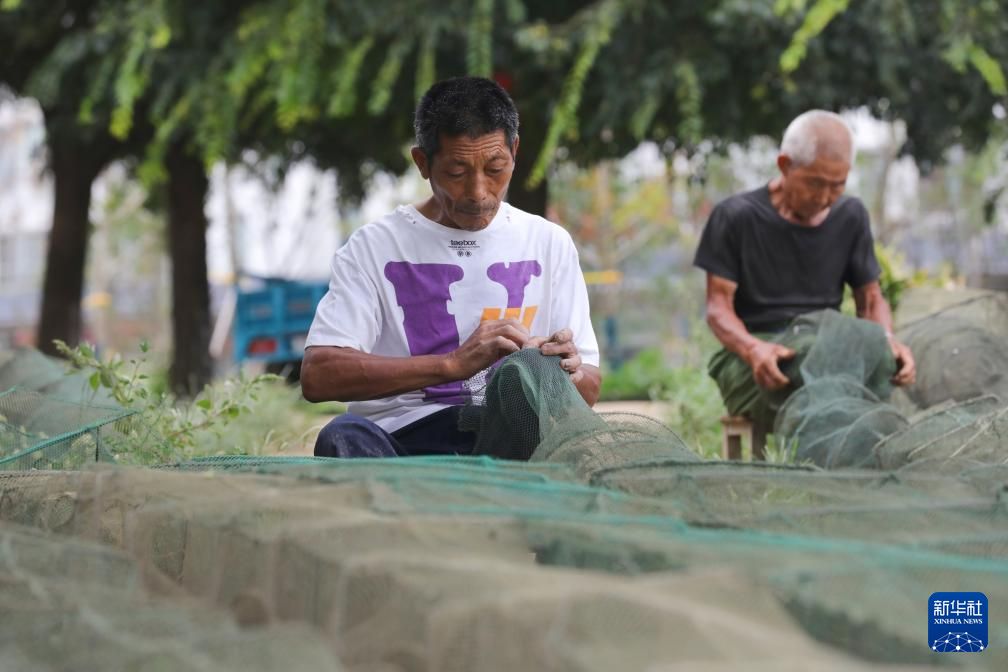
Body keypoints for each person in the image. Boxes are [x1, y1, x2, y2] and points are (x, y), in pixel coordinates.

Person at [301, 76, 601, 458]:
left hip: (507, 439)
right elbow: (318, 375)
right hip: (402, 441)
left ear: (515, 152)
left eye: (495, 169)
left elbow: (589, 384)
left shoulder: (548, 242)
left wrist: (560, 372)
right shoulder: (373, 248)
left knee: (558, 442)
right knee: (343, 435)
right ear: (422, 163)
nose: (478, 194)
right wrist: (451, 364)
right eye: (457, 173)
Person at [694, 110, 916, 427]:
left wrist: (886, 341)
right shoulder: (736, 217)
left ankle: (853, 464)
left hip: (827, 349)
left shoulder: (850, 216)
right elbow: (718, 309)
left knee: (876, 360)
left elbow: (871, 300)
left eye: (837, 186)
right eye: (815, 183)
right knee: (823, 365)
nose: (825, 197)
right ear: (785, 165)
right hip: (755, 363)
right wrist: (753, 349)